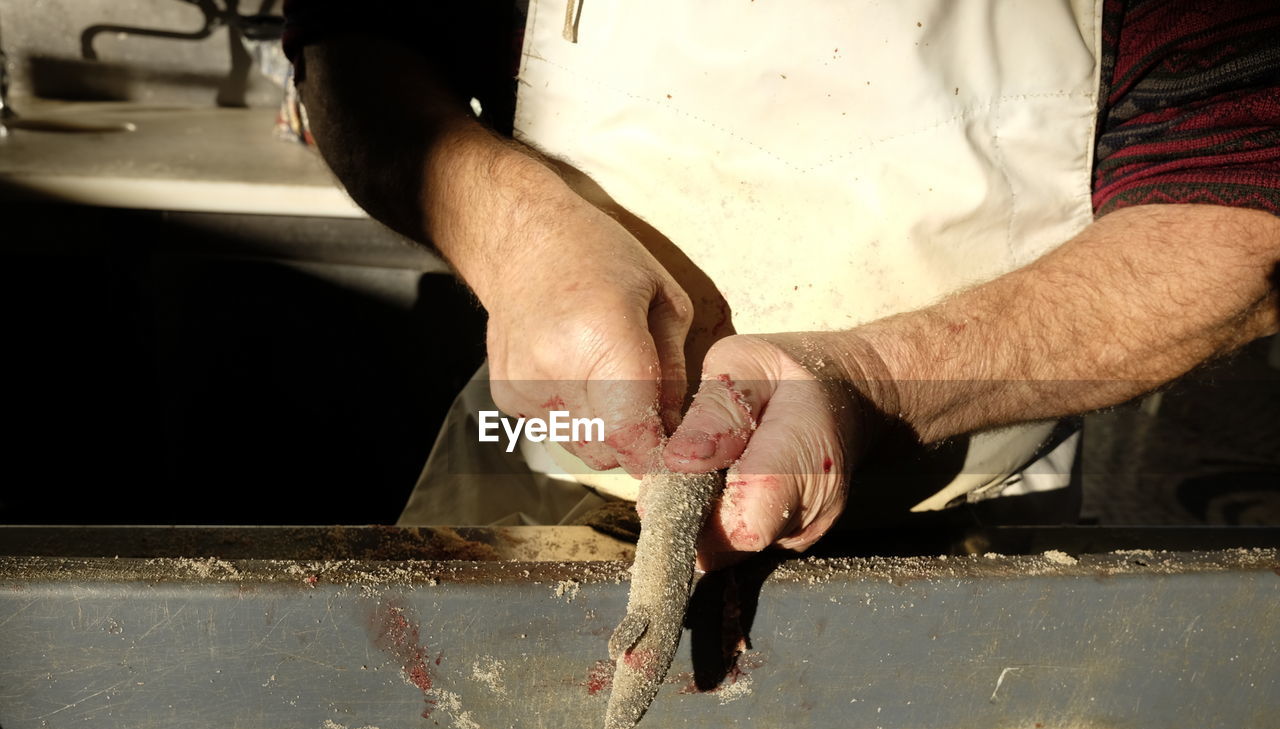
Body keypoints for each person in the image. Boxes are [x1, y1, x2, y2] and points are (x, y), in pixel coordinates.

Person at [284, 0, 1280, 555]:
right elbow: (358, 41)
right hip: (557, 468)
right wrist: (512, 233)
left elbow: (1239, 193)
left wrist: (880, 382)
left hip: (974, 493)